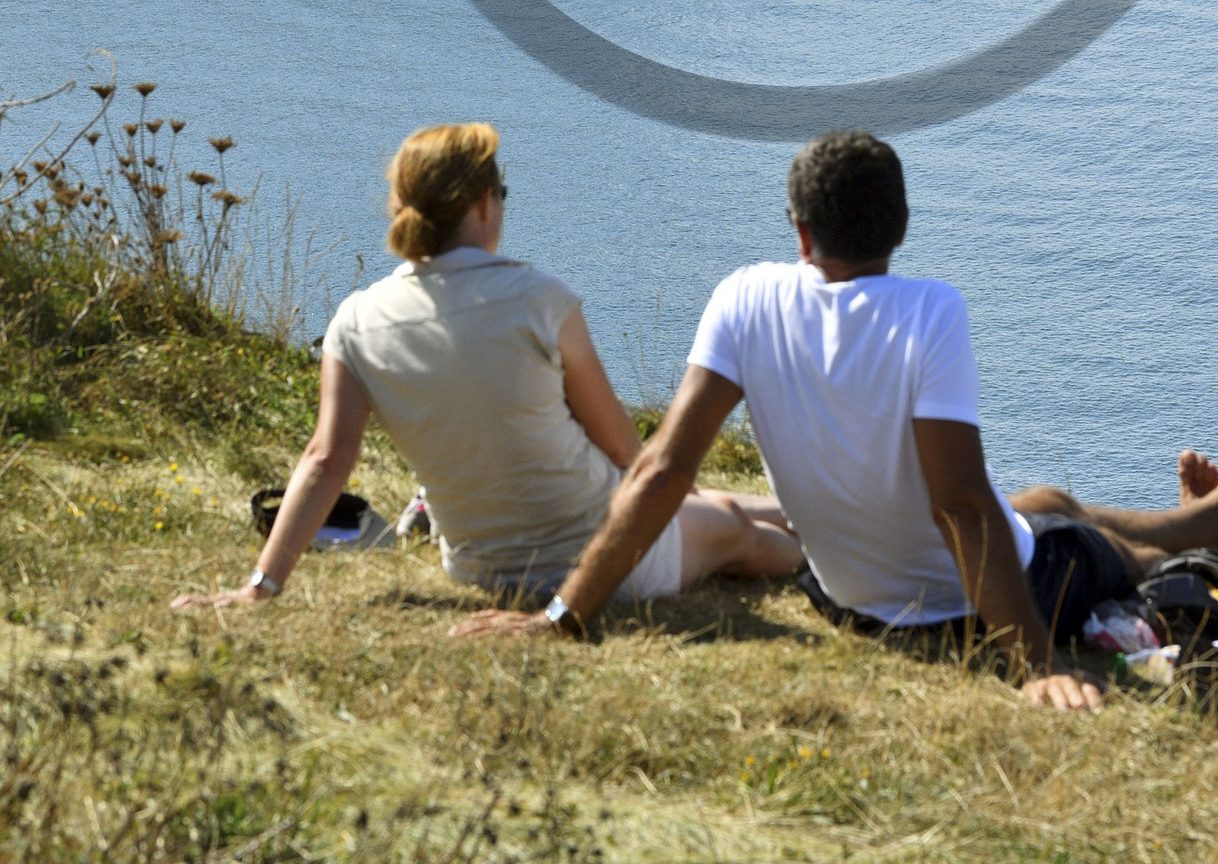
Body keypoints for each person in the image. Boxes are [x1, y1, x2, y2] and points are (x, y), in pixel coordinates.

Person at [452, 129, 1218, 713]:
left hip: (847, 597)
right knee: (1087, 548)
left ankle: (1208, 515)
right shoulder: (930, 312)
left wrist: (562, 618)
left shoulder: (745, 298)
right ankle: (1214, 525)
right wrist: (1032, 666)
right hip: (963, 610)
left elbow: (664, 470)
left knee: (1041, 498)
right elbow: (958, 506)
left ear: (800, 230)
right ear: (903, 226)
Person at [171, 122, 800, 615]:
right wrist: (674, 494)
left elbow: (324, 460)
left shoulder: (355, 321)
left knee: (708, 504)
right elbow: (622, 449)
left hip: (478, 565)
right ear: (480, 204)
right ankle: (856, 555)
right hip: (605, 557)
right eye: (501, 193)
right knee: (734, 528)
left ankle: (814, 516)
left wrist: (262, 585)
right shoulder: (539, 300)